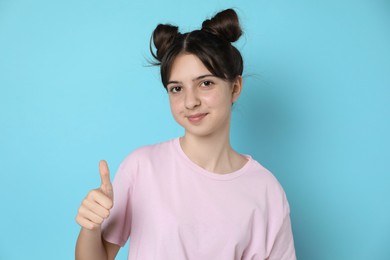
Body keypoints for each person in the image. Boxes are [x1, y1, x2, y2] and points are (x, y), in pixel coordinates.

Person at [75, 8, 296, 260]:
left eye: (205, 83)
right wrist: (90, 228)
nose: (190, 102)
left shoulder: (265, 190)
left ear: (235, 87)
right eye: (177, 88)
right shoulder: (143, 167)